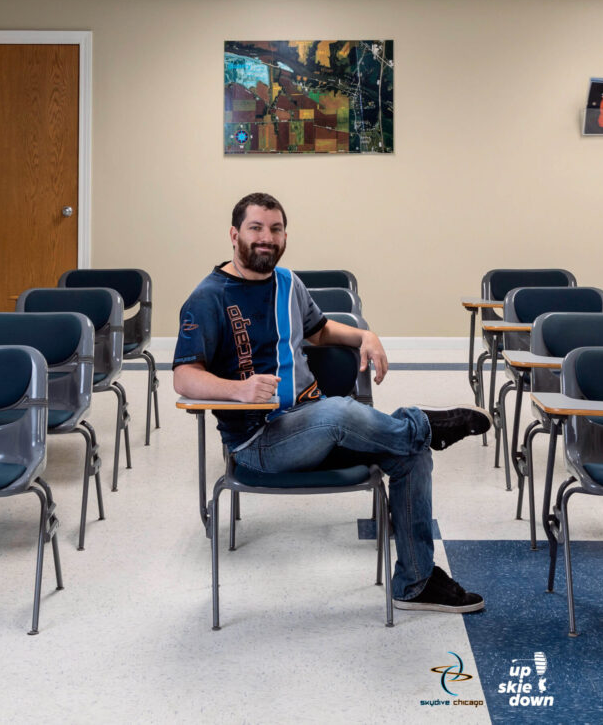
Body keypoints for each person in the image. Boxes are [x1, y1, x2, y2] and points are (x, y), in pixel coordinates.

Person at [173, 192, 490, 613]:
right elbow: (183, 375)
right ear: (234, 234)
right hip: (260, 441)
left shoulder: (289, 284)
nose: (266, 238)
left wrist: (365, 336)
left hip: (314, 422)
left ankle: (415, 582)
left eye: (276, 229)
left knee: (411, 456)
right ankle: (427, 426)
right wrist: (237, 389)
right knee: (340, 411)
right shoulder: (208, 296)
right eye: (256, 228)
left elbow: (320, 332)